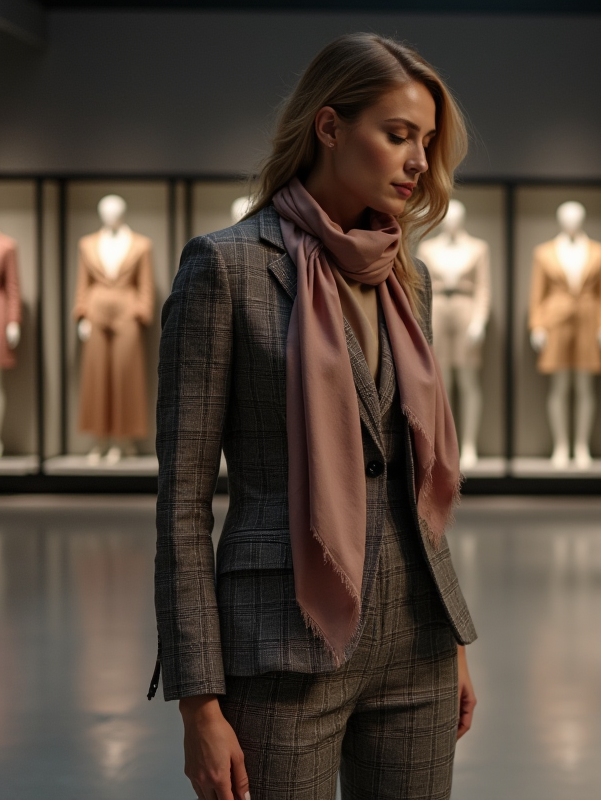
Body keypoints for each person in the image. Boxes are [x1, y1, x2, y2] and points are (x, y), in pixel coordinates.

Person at [152, 33, 478, 800]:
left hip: (418, 644)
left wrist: (455, 636)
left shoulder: (408, 278)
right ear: (329, 127)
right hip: (281, 643)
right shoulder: (226, 268)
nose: (417, 162)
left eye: (427, 143)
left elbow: (411, 476)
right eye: (398, 135)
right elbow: (183, 503)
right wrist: (198, 702)